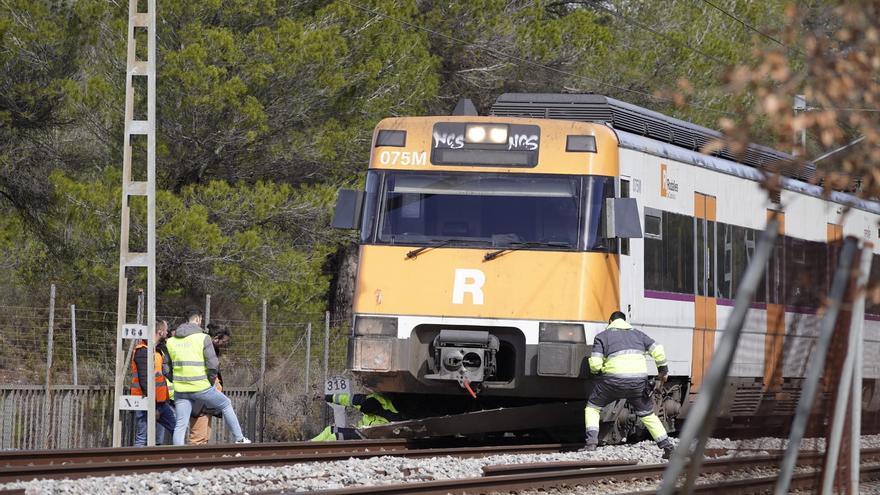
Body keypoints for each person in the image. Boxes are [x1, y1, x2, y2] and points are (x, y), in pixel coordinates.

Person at [582, 311, 674, 459]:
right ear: (625, 321)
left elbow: (595, 364)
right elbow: (658, 350)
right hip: (638, 382)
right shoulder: (639, 334)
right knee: (648, 415)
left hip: (612, 381)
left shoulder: (602, 337)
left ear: (610, 321)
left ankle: (591, 443)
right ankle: (667, 447)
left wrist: (598, 372)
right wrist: (663, 371)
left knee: (592, 408)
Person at [166, 306, 250, 445]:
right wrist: (209, 382)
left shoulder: (171, 341)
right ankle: (239, 439)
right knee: (226, 404)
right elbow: (213, 365)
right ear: (198, 319)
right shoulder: (203, 338)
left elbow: (166, 368)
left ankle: (178, 455)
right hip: (201, 387)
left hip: (180, 390)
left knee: (180, 425)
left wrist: (176, 380)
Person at [131, 320, 177, 446]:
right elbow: (145, 381)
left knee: (176, 429)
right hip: (146, 402)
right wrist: (153, 406)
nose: (167, 332)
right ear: (160, 332)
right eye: (165, 330)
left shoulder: (156, 350)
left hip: (160, 402)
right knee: (142, 438)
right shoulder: (143, 351)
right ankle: (136, 464)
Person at [188, 323, 231, 445]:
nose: (225, 345)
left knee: (205, 436)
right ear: (216, 338)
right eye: (224, 341)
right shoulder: (203, 348)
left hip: (208, 398)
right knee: (197, 438)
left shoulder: (213, 350)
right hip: (201, 397)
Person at [311, 391, 402, 441]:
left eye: (368, 414)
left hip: (370, 436)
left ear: (376, 411)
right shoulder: (363, 400)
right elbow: (345, 398)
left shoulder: (391, 414)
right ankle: (309, 445)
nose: (365, 415)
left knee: (335, 436)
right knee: (329, 430)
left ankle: (318, 452)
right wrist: (326, 397)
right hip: (361, 430)